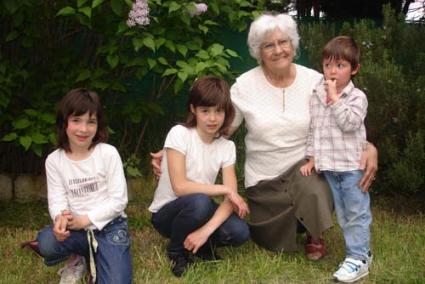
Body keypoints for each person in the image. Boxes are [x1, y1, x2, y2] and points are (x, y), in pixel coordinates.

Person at [151, 13, 378, 260]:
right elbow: (219, 127)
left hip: (304, 172)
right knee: (265, 239)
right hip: (263, 182)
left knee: (314, 184)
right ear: (258, 52)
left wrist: (369, 148)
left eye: (284, 42)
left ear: (293, 45)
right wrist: (181, 146)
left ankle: (315, 233)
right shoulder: (244, 86)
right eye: (269, 45)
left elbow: (340, 123)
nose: (278, 50)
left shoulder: (316, 82)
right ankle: (292, 224)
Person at [22, 88, 132, 284]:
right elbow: (57, 199)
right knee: (47, 243)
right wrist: (60, 219)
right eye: (76, 121)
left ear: (98, 125)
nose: (84, 129)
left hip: (109, 227)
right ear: (64, 123)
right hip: (76, 230)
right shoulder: (54, 160)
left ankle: (103, 256)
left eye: (91, 122)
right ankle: (79, 257)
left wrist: (87, 219)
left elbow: (119, 201)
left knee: (117, 280)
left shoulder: (108, 153)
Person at [148, 76, 250, 277]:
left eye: (218, 111)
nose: (212, 118)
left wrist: (206, 231)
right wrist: (225, 189)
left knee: (239, 232)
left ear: (226, 112)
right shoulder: (179, 134)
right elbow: (181, 187)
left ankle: (199, 244)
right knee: (200, 202)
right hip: (168, 213)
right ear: (193, 109)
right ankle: (176, 251)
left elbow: (230, 201)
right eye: (205, 111)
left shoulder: (227, 146)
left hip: (200, 210)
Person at [300, 36, 372, 282]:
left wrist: (335, 99)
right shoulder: (316, 94)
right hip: (329, 168)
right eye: (328, 64)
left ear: (354, 69)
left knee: (356, 212)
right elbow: (315, 129)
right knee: (343, 213)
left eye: (340, 66)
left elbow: (349, 123)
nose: (332, 71)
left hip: (351, 167)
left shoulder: (356, 98)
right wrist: (311, 158)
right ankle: (360, 252)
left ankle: (358, 258)